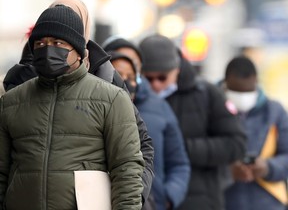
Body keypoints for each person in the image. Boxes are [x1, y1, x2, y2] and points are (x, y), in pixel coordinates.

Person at [2, 0, 154, 204]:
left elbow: (127, 167)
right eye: (40, 43)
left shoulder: (112, 97)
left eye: (58, 43)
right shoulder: (12, 101)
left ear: (78, 49)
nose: (48, 50)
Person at [139, 34, 247, 210]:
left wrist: (180, 148)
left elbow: (236, 143)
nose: (156, 85)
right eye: (148, 78)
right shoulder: (132, 98)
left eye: (162, 77)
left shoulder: (207, 94)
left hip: (200, 199)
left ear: (177, 69)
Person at [108, 49, 191, 210]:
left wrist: (168, 196)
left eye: (131, 74)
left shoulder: (159, 108)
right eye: (118, 73)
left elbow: (179, 163)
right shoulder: (94, 105)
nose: (124, 80)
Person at [222, 56, 288, 210]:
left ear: (256, 82)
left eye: (248, 91)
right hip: (224, 201)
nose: (243, 97)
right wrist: (227, 171)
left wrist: (267, 167)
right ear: (225, 84)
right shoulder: (212, 109)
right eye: (237, 92)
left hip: (268, 203)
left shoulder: (275, 112)